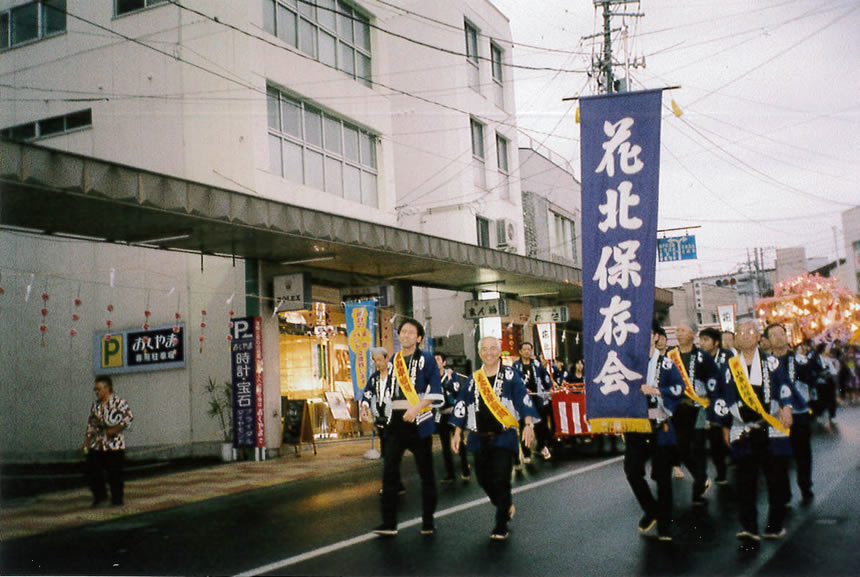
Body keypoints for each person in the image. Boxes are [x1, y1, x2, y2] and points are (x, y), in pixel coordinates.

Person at [449, 336, 539, 541]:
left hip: (503, 437)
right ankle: (504, 505)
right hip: (478, 438)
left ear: (499, 352)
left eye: (493, 349)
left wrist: (529, 424)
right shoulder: (474, 379)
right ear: (480, 353)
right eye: (484, 349)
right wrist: (456, 432)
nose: (488, 352)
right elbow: (461, 405)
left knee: (501, 478)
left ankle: (501, 524)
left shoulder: (510, 375)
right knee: (483, 479)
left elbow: (522, 398)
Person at [715, 320, 794, 549]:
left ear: (759, 337)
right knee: (745, 481)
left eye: (750, 331)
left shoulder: (772, 363)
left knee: (775, 479)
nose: (745, 335)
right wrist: (724, 427)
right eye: (740, 332)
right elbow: (720, 399)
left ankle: (774, 525)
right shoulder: (729, 366)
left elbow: (785, 388)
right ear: (735, 338)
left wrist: (787, 407)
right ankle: (748, 527)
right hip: (742, 429)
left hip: (769, 427)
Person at [373, 318, 444, 537]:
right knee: (389, 472)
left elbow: (436, 390)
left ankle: (428, 521)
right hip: (396, 422)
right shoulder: (393, 360)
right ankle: (389, 522)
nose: (405, 336)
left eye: (411, 333)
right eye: (402, 332)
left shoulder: (427, 359)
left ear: (419, 338)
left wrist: (417, 408)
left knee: (426, 474)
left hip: (419, 421)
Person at [625, 324, 685, 542]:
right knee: (632, 471)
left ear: (656, 337)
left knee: (662, 477)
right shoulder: (628, 364)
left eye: (647, 334)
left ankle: (665, 524)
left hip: (660, 423)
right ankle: (651, 509)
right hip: (636, 425)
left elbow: (679, 389)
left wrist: (657, 390)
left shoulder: (666, 364)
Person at [670, 320, 720, 506]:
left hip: (699, 407)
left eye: (683, 330)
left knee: (698, 446)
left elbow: (714, 380)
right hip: (678, 408)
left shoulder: (702, 357)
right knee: (682, 448)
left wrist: (709, 398)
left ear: (693, 334)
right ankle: (701, 476)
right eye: (678, 330)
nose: (679, 333)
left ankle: (698, 488)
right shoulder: (671, 356)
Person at [764, 324, 814, 505]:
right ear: (767, 340)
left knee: (802, 453)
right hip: (776, 416)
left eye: (781, 334)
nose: (778, 338)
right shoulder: (765, 363)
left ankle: (805, 486)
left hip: (799, 413)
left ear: (787, 336)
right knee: (779, 456)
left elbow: (811, 381)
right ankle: (784, 493)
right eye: (773, 335)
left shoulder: (800, 360)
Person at [81, 375, 133, 507]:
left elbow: (128, 419)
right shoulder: (96, 406)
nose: (97, 392)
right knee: (92, 470)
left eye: (99, 389)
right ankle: (100, 496)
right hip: (98, 444)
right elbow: (91, 424)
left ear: (107, 388)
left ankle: (117, 499)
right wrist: (87, 441)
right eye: (95, 390)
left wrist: (115, 429)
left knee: (115, 474)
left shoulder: (119, 403)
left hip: (115, 446)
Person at [359, 347, 405, 496]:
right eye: (375, 360)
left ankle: (390, 485)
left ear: (386, 358)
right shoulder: (374, 378)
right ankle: (397, 484)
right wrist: (364, 407)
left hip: (395, 422)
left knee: (390, 454)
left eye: (379, 359)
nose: (377, 363)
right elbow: (367, 393)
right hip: (381, 421)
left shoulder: (397, 376)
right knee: (388, 454)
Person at [698, 326, 732, 485]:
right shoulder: (699, 358)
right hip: (710, 405)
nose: (702, 343)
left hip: (729, 403)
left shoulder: (728, 356)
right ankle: (721, 472)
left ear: (716, 342)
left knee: (731, 436)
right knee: (715, 439)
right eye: (701, 340)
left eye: (706, 340)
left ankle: (734, 458)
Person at [512, 343, 553, 462]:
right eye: (524, 349)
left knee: (541, 426)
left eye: (529, 349)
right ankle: (526, 453)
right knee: (524, 426)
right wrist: (523, 389)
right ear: (520, 351)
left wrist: (550, 388)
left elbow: (545, 377)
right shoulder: (516, 366)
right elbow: (513, 382)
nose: (526, 352)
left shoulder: (536, 364)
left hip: (537, 399)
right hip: (523, 402)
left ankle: (541, 446)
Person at [434, 352, 470, 483]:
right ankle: (450, 474)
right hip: (441, 414)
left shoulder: (452, 375)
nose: (435, 361)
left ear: (443, 363)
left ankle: (465, 469)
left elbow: (456, 389)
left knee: (459, 441)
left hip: (453, 413)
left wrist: (449, 378)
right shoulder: (432, 377)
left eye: (438, 359)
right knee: (445, 445)